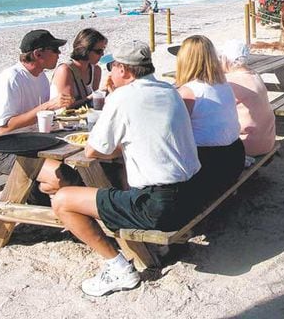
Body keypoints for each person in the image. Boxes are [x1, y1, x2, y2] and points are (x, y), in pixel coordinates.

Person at [51, 41, 202, 296]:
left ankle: (118, 267)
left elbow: (93, 150)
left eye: (112, 67)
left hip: (162, 204)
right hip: (194, 193)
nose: (109, 73)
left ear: (124, 70)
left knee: (62, 199)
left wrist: (112, 98)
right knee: (122, 176)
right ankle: (147, 245)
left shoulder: (124, 97)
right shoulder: (169, 90)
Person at [0, 29, 75, 194]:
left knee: (82, 166)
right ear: (38, 54)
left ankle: (39, 198)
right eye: (54, 49)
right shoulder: (11, 79)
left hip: (33, 143)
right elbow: (2, 129)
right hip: (5, 151)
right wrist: (47, 106)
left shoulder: (40, 77)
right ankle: (38, 199)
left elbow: (40, 117)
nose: (59, 53)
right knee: (64, 177)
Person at [171, 35, 245, 201]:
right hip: (235, 156)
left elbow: (173, 133)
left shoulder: (188, 92)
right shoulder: (223, 84)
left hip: (211, 164)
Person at [218, 40, 276, 157]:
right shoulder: (254, 74)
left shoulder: (230, 81)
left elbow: (217, 110)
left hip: (247, 144)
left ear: (226, 60)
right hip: (267, 140)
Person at [50, 28, 107, 109]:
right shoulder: (65, 70)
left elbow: (94, 104)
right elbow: (66, 106)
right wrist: (93, 96)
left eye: (103, 50)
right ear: (85, 50)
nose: (102, 54)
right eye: (99, 51)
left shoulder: (96, 70)